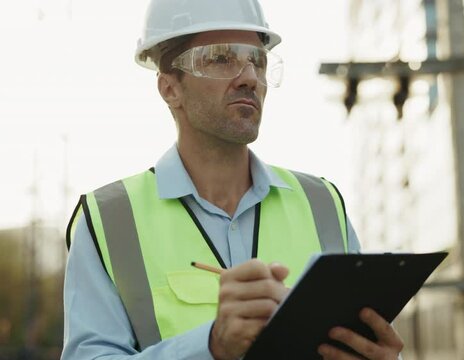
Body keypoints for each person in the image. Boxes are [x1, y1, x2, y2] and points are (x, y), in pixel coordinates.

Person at [61, 0, 404, 359]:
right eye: (221, 58)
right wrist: (210, 347)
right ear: (169, 88)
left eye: (257, 60)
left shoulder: (323, 204)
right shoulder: (110, 219)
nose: (250, 78)